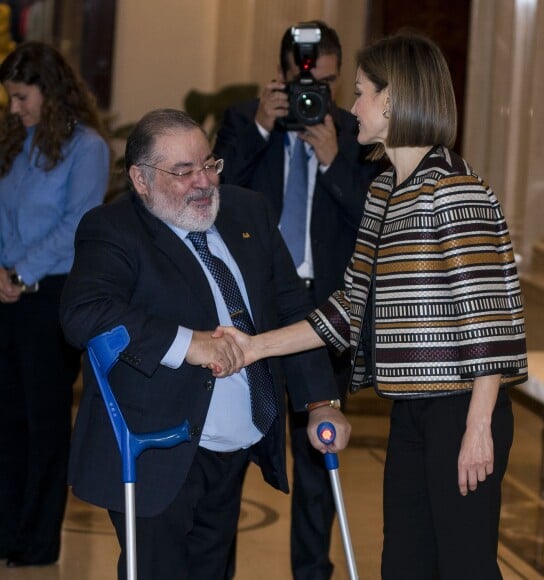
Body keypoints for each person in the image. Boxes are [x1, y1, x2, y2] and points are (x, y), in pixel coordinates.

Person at [216, 31, 528, 580]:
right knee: (403, 565)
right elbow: (347, 307)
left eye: (359, 92)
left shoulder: (453, 189)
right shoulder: (385, 191)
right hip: (409, 408)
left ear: (392, 100)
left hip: (461, 411)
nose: (350, 106)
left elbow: (491, 319)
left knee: (465, 566)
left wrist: (478, 426)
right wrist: (254, 346)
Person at [59, 108, 351, 580]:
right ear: (140, 178)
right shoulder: (113, 229)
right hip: (154, 450)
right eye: (183, 171)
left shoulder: (246, 210)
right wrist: (187, 343)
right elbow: (84, 313)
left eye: (208, 164)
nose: (203, 182)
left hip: (232, 446)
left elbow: (292, 308)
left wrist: (320, 401)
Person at [213, 20, 382, 579]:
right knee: (233, 454)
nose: (319, 94)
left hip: (325, 314)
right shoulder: (242, 120)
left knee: (319, 463)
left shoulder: (356, 131)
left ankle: (313, 574)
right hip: (253, 314)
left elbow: (374, 228)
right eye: (309, 81)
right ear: (282, 74)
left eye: (333, 83)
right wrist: (262, 129)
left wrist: (335, 162)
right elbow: (208, 201)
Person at [0, 41, 110, 567]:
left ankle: (37, 541)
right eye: (10, 98)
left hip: (49, 301)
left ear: (49, 90)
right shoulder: (9, 141)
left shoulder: (85, 147)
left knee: (42, 423)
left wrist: (20, 272)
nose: (14, 107)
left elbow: (78, 226)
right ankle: (4, 530)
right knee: (5, 422)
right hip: (4, 297)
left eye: (21, 96)